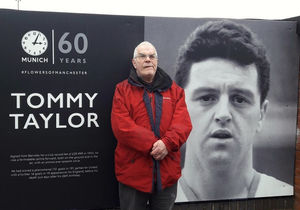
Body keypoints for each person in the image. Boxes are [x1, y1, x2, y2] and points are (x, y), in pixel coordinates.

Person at [174, 20, 293, 202]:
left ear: (261, 114)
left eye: (239, 99)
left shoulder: (288, 198)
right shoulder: (147, 203)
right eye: (206, 98)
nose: (223, 114)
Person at [111, 41, 192, 209]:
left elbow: (183, 124)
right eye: (142, 56)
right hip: (133, 175)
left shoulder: (175, 91)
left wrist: (167, 144)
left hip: (167, 174)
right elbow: (122, 126)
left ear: (157, 61)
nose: (148, 59)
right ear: (134, 62)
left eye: (152, 56)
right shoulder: (122, 90)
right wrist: (154, 146)